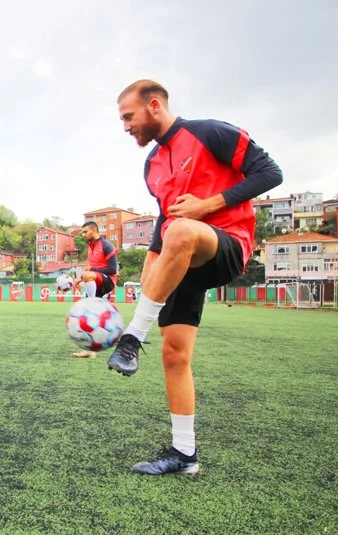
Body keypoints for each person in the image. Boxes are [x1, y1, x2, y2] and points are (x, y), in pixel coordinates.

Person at [107, 80, 283, 475]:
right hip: (180, 254)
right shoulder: (152, 166)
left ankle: (134, 337)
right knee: (175, 353)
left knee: (183, 229)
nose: (125, 127)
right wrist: (147, 283)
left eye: (128, 116)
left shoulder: (209, 133)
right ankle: (185, 455)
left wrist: (207, 205)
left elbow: (270, 173)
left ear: (154, 106)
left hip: (226, 245)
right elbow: (161, 231)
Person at [72, 220, 119, 358]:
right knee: (86, 317)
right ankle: (90, 351)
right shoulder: (90, 247)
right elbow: (90, 269)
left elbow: (112, 269)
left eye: (85, 232)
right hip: (96, 279)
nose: (83, 235)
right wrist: (81, 278)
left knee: (89, 310)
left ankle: (91, 303)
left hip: (108, 281)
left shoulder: (107, 245)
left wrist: (90, 271)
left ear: (94, 230)